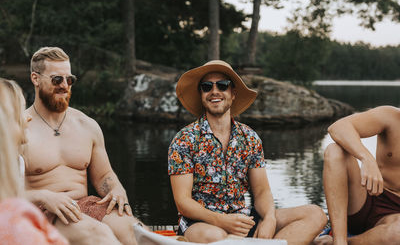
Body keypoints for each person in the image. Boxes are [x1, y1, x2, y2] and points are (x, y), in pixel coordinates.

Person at [168, 60, 327, 244]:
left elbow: (261, 191)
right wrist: (221, 221)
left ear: (233, 93)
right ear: (201, 94)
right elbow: (183, 202)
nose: (214, 91)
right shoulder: (184, 139)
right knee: (216, 237)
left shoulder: (250, 138)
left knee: (315, 215)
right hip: (200, 223)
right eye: (206, 87)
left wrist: (269, 218)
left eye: (222, 85)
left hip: (241, 220)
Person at [23, 47, 142, 245]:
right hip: (41, 211)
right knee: (100, 236)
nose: (64, 85)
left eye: (69, 80)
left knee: (137, 234)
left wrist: (116, 189)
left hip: (85, 205)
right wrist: (44, 196)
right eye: (56, 79)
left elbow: (104, 175)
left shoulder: (87, 125)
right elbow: (5, 193)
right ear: (35, 79)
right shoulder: (17, 128)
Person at [314, 106, 400, 245]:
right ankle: (339, 241)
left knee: (398, 233)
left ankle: (348, 241)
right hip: (367, 197)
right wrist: (366, 158)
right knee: (335, 151)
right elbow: (338, 127)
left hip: (395, 217)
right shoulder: (391, 116)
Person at [0, 78, 69, 245]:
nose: (28, 118)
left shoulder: (17, 161)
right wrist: (41, 195)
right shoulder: (13, 218)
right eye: (21, 111)